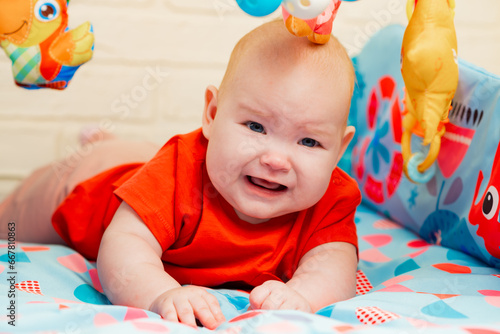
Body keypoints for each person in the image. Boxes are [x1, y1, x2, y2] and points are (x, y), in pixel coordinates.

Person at [0, 20, 360, 329]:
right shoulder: (177, 173)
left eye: (309, 142)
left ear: (339, 150)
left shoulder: (332, 198)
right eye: (256, 126)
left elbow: (333, 270)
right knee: (10, 221)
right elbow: (125, 247)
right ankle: (101, 145)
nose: (276, 159)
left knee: (148, 157)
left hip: (151, 162)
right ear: (212, 114)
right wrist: (160, 294)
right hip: (91, 183)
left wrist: (301, 296)